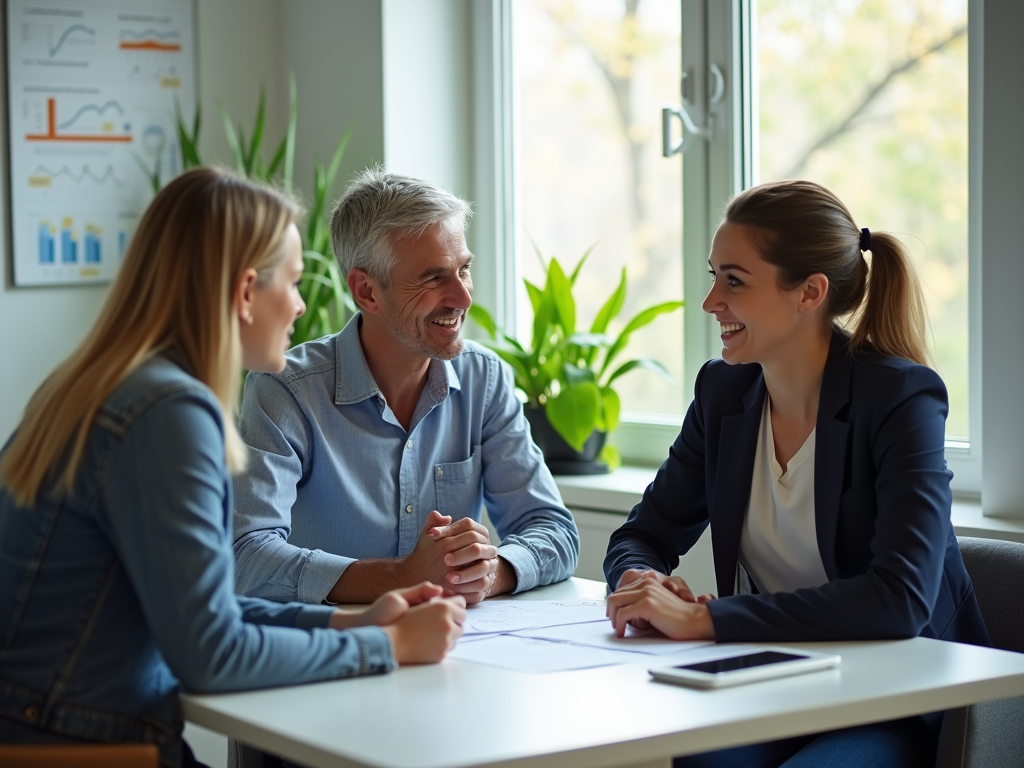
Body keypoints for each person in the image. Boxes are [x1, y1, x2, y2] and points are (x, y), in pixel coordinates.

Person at [0, 167, 465, 768]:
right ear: (246, 292)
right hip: (87, 744)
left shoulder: (102, 384)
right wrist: (387, 646)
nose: (300, 307)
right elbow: (212, 655)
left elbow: (205, 606)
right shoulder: (169, 413)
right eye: (294, 283)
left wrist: (345, 626)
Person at [603, 179, 990, 767]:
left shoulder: (899, 398)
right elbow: (643, 534)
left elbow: (899, 600)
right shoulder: (721, 393)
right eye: (713, 276)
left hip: (895, 694)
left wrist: (703, 618)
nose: (710, 301)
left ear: (809, 292)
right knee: (697, 757)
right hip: (775, 680)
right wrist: (640, 582)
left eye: (734, 280)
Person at [232, 169, 579, 606]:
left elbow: (554, 529)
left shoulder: (483, 378)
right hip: (335, 655)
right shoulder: (285, 391)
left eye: (464, 270)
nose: (463, 297)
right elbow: (247, 557)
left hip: (455, 652)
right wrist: (403, 577)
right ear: (367, 292)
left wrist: (489, 572)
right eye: (434, 278)